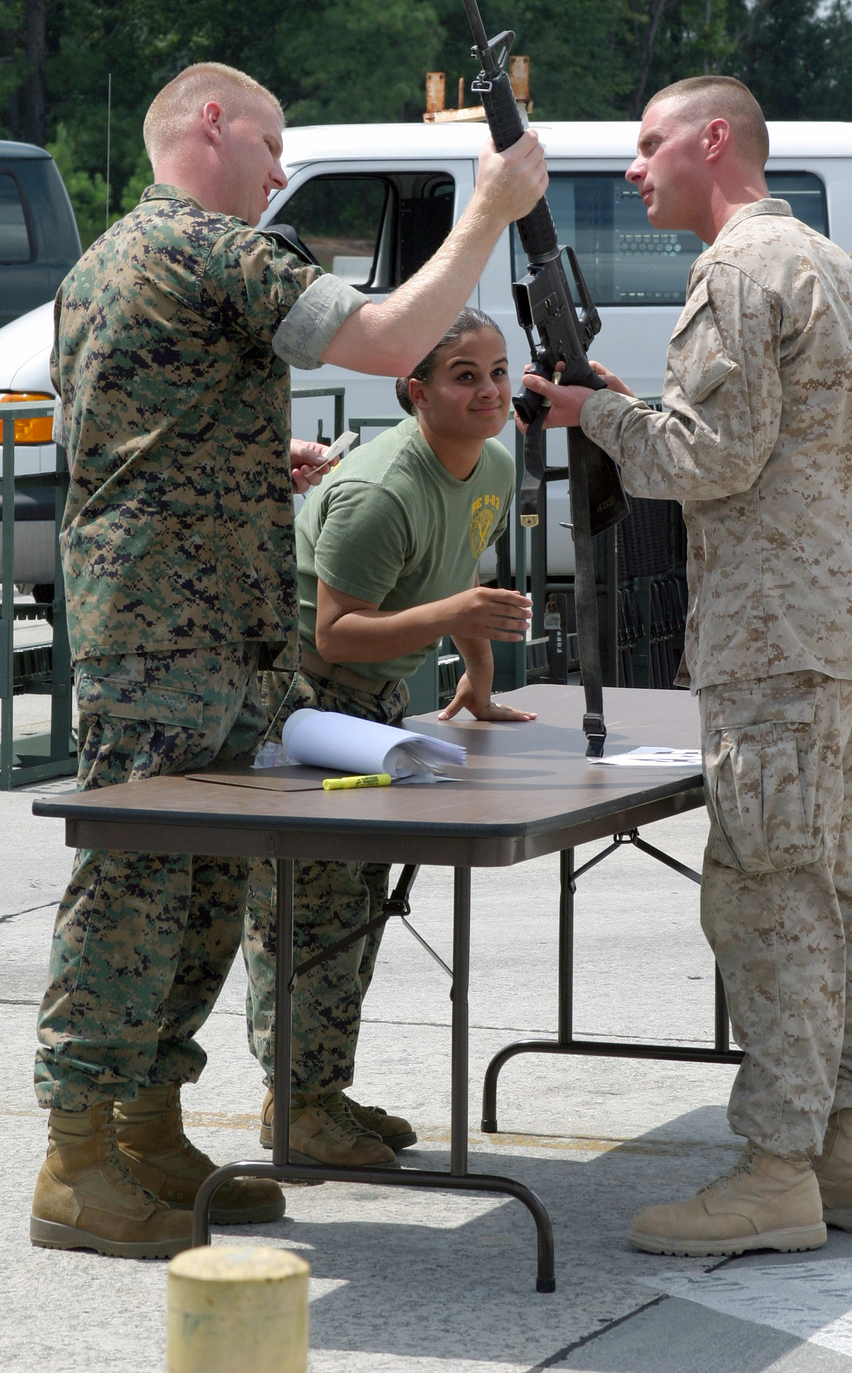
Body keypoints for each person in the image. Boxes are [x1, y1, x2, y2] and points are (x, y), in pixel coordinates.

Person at [30, 61, 548, 1259]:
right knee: (132, 898)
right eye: (270, 146)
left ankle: (145, 1128)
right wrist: (487, 207)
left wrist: (260, 473)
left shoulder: (99, 266)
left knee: (204, 892)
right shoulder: (211, 246)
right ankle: (73, 1159)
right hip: (176, 646)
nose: (277, 174)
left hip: (183, 635)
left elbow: (130, 451)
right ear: (209, 123)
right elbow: (383, 340)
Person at [521, 75, 852, 1258]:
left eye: (646, 145)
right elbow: (769, 436)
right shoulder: (823, 260)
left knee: (768, 901)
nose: (632, 169)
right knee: (839, 894)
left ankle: (775, 1171)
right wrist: (628, 405)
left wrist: (588, 416)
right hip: (845, 633)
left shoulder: (735, 270)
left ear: (714, 140)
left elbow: (712, 458)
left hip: (775, 643)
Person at [245, 308, 535, 1168]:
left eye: (496, 371)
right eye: (463, 376)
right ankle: (295, 1108)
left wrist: (476, 677)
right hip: (304, 709)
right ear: (415, 392)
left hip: (371, 710)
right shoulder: (378, 490)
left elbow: (460, 576)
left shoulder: (494, 467)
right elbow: (334, 633)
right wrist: (450, 618)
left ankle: (317, 1094)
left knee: (362, 909)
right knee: (310, 917)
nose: (488, 392)